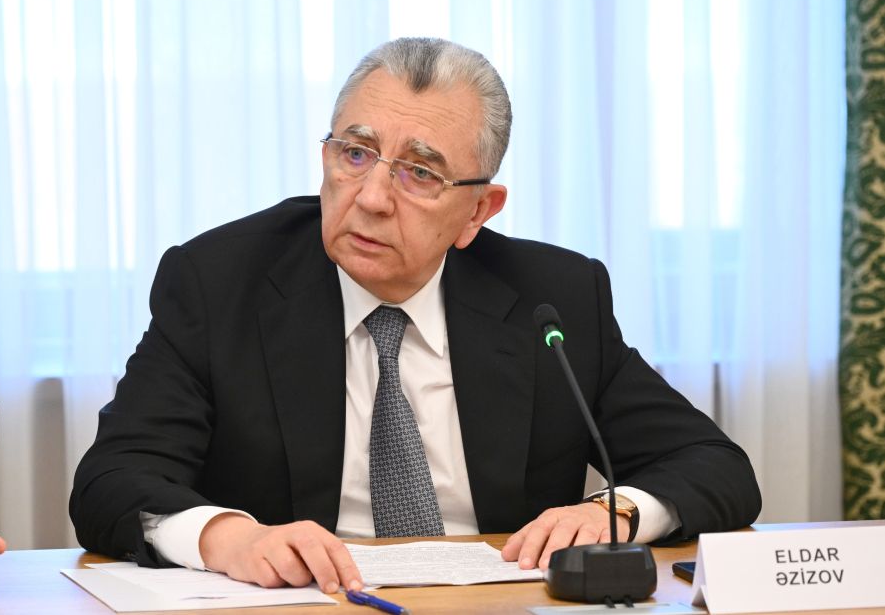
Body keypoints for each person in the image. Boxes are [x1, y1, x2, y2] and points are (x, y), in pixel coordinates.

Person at [70, 37, 760, 594]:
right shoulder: (219, 282)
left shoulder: (552, 299)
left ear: (478, 210)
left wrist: (614, 513)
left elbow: (713, 466)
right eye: (355, 154)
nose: (371, 197)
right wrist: (234, 539)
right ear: (325, 157)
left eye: (420, 173)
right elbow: (111, 481)